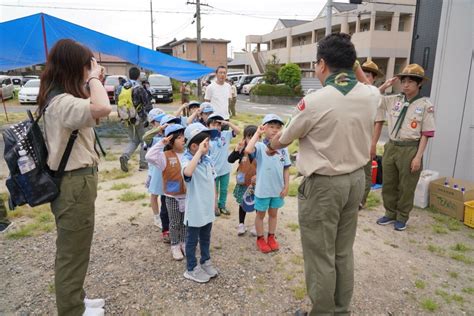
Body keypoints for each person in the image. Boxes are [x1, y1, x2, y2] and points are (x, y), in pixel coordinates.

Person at [270, 33, 381, 315]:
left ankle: (321, 312)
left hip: (324, 187)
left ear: (321, 64)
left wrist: (269, 146)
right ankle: (340, 310)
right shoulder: (370, 95)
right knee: (343, 251)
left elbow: (284, 138)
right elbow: (365, 83)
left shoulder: (315, 101)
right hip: (356, 180)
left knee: (320, 255)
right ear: (352, 62)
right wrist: (353, 63)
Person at [37, 39, 112, 316]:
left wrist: (90, 79)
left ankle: (76, 299)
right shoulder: (62, 103)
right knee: (72, 254)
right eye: (86, 64)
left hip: (76, 182)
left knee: (77, 248)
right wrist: (93, 78)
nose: (90, 69)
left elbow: (95, 111)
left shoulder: (62, 97)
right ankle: (71, 310)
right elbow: (104, 108)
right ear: (74, 66)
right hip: (74, 184)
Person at [374, 64, 435, 231]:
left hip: (410, 148)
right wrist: (385, 85)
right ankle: (390, 213)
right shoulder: (394, 100)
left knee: (406, 186)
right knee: (389, 183)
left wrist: (418, 156)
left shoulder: (425, 105)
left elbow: (426, 134)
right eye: (403, 81)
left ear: (419, 84)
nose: (406, 85)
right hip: (392, 146)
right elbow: (372, 98)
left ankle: (402, 216)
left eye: (410, 81)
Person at [245, 114, 290, 254]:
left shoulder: (283, 148)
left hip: (277, 189)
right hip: (263, 189)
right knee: (260, 215)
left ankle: (271, 236)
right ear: (264, 128)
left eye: (278, 127)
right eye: (271, 127)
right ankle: (260, 238)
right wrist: (257, 133)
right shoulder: (259, 146)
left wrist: (286, 186)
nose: (275, 130)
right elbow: (247, 150)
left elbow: (286, 168)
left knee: (274, 214)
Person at [181, 123, 220, 283]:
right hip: (195, 210)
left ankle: (205, 261)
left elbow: (213, 181)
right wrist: (198, 153)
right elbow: (188, 173)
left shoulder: (208, 160)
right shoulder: (187, 160)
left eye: (208, 142)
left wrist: (215, 202)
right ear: (195, 145)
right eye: (206, 142)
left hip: (207, 208)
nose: (208, 145)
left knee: (206, 237)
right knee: (192, 240)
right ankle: (191, 268)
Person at [146, 124, 187, 260]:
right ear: (171, 140)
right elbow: (149, 156)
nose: (183, 140)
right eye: (179, 137)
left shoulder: (188, 154)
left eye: (183, 137)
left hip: (188, 196)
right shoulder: (164, 156)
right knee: (174, 223)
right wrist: (162, 142)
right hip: (172, 197)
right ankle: (175, 246)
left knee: (185, 222)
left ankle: (184, 243)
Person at [358, 60, 385, 209]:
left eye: (367, 75)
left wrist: (373, 145)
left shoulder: (376, 97)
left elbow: (379, 123)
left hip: (367, 142)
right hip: (353, 140)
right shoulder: (356, 94)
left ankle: (361, 201)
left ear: (373, 78)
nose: (364, 78)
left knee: (365, 173)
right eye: (362, 74)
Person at [143, 111, 171, 243]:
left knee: (166, 195)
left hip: (165, 171)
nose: (163, 124)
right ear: (153, 123)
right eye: (159, 122)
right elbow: (145, 138)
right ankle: (156, 217)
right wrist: (158, 129)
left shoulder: (168, 138)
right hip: (154, 172)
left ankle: (166, 217)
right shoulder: (154, 138)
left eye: (163, 122)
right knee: (154, 193)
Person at [119, 66, 153, 173]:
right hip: (140, 118)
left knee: (134, 140)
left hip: (127, 118)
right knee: (145, 140)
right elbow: (147, 104)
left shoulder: (122, 87)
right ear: (138, 76)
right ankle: (143, 164)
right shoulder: (139, 88)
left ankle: (125, 155)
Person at [207, 113, 240, 216]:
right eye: (213, 125)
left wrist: (228, 123)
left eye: (218, 125)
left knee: (224, 190)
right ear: (208, 126)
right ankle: (214, 207)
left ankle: (222, 206)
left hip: (225, 168)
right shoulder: (206, 138)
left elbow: (238, 131)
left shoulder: (225, 134)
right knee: (214, 190)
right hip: (213, 171)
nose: (216, 127)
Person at [228, 125, 257, 235]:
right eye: (248, 137)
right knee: (242, 204)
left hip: (256, 183)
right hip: (243, 183)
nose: (251, 140)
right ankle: (241, 224)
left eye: (254, 137)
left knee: (258, 204)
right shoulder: (241, 150)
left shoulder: (260, 150)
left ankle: (256, 225)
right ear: (244, 138)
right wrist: (236, 150)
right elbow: (230, 160)